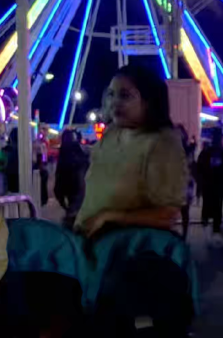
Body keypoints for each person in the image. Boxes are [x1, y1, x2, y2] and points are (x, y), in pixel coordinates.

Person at [74, 64, 189, 239]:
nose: (114, 102)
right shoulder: (112, 133)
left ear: (149, 101)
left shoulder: (161, 144)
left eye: (125, 95)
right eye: (111, 94)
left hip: (122, 250)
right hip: (88, 243)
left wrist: (110, 218)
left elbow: (167, 214)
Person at [196, 127, 223, 245]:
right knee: (216, 207)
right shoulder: (220, 152)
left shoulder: (207, 151)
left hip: (210, 183)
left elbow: (199, 168)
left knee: (209, 206)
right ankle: (214, 231)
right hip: (214, 183)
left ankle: (210, 229)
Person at [55, 129, 90, 228]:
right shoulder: (82, 156)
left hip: (72, 197)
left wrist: (64, 204)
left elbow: (58, 184)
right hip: (81, 196)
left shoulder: (63, 156)